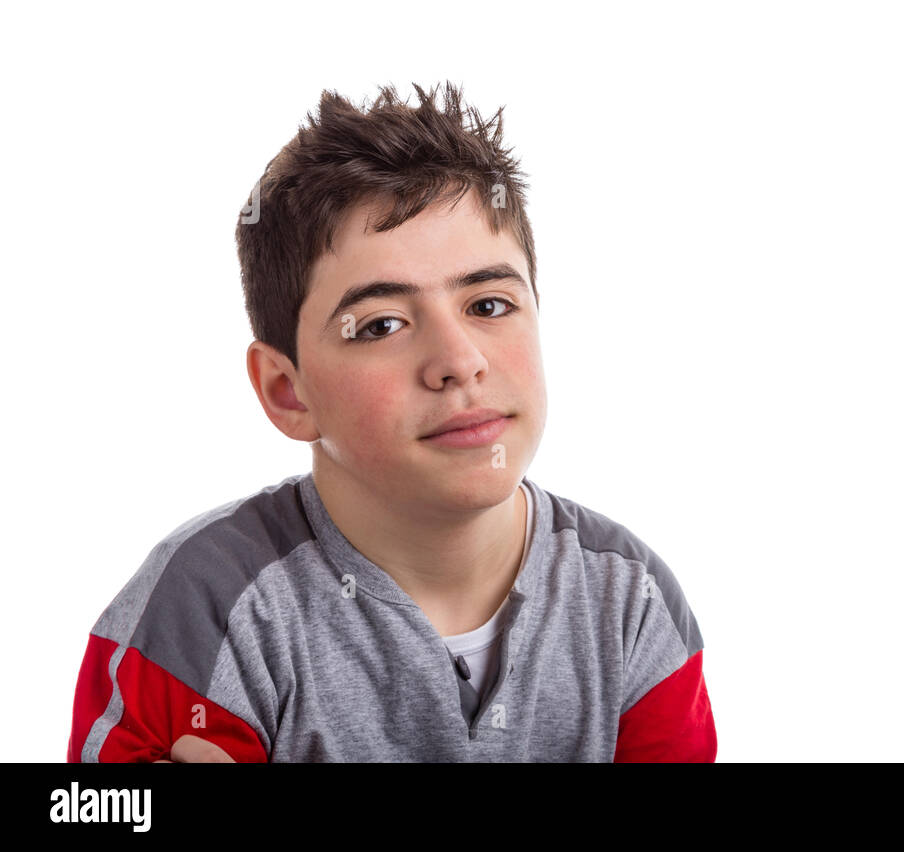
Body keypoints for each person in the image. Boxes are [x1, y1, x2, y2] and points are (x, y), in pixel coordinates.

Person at [67, 81, 717, 762]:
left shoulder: (631, 605)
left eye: (489, 306)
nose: (459, 361)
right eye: (381, 324)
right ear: (289, 392)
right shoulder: (201, 612)